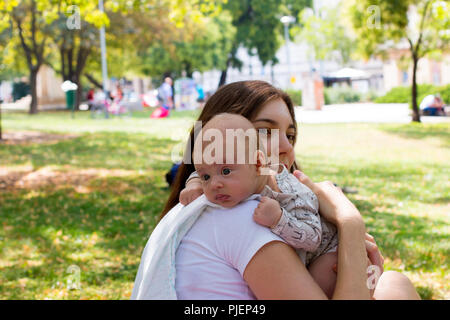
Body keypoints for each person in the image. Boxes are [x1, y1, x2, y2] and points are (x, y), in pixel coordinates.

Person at [134, 80, 420, 300]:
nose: (286, 147)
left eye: (290, 134)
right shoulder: (241, 215)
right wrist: (350, 221)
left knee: (392, 283)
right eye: (264, 131)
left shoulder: (207, 206)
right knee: (394, 285)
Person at [190, 112, 339, 298]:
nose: (214, 184)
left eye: (226, 171)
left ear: (259, 162)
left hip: (327, 253)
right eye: (206, 177)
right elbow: (208, 167)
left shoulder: (291, 193)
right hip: (298, 259)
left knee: (315, 282)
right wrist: (193, 183)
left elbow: (313, 238)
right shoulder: (239, 174)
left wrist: (279, 219)